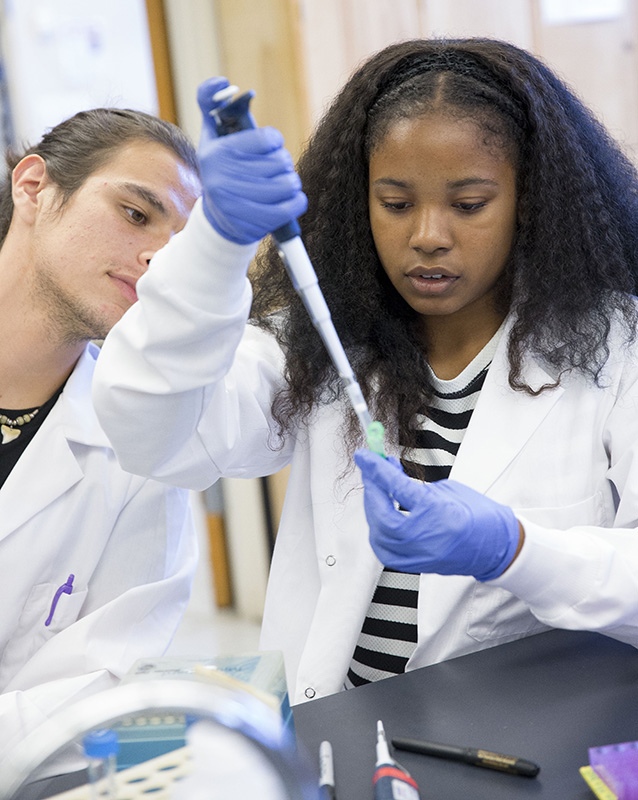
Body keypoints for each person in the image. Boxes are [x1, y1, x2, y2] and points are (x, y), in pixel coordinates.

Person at [93, 38, 638, 706]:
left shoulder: (618, 349)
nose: (429, 235)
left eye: (469, 204)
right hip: (344, 738)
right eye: (396, 202)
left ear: (531, 203)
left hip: (526, 748)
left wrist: (514, 549)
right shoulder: (324, 343)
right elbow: (153, 429)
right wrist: (216, 240)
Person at [0, 107, 201, 771]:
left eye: (182, 244)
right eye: (137, 214)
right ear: (32, 187)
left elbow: (103, 685)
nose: (157, 258)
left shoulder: (143, 454)